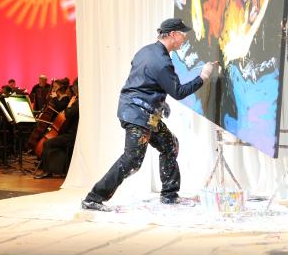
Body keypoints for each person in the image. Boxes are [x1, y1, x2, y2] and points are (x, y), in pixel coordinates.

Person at [81, 18, 217, 211]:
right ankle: (93, 198)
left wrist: (160, 102)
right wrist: (203, 76)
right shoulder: (162, 61)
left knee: (170, 144)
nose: (184, 38)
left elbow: (144, 80)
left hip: (143, 111)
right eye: (182, 34)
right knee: (132, 160)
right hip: (137, 114)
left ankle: (170, 195)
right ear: (172, 35)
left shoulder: (145, 51)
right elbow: (178, 91)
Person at [34, 79, 79, 179]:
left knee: (48, 143)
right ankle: (57, 169)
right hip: (69, 132)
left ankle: (48, 171)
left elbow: (68, 114)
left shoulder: (77, 102)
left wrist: (69, 105)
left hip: (72, 135)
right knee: (50, 141)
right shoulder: (77, 100)